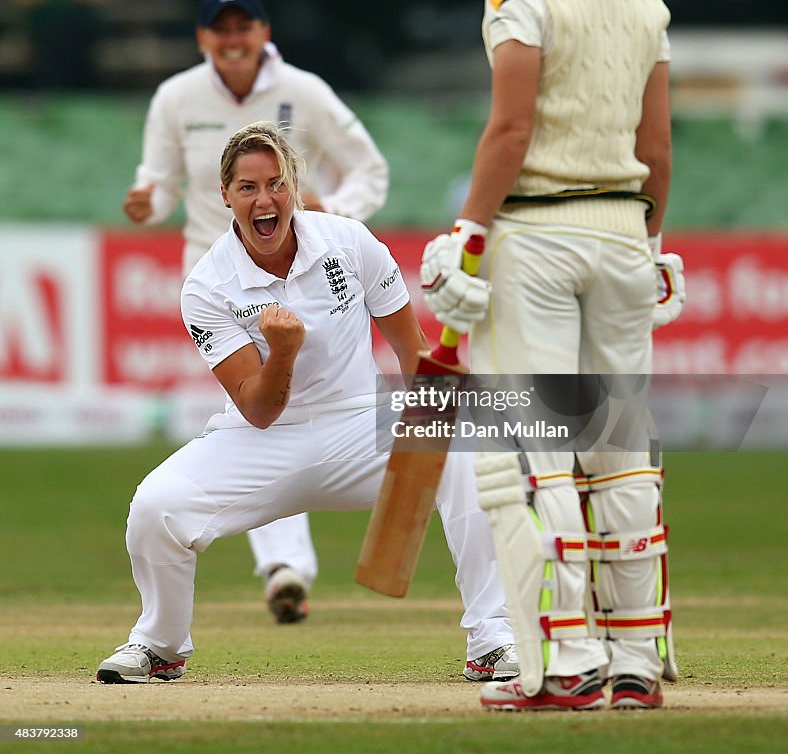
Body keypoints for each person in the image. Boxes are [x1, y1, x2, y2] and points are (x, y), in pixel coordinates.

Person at [420, 0, 684, 712]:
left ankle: (565, 663)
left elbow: (511, 130)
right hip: (622, 231)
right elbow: (657, 146)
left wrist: (467, 234)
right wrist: (651, 246)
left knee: (535, 453)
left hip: (535, 234)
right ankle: (636, 661)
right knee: (621, 451)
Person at [96, 121, 515, 683]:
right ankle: (160, 644)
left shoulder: (351, 241)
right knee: (156, 507)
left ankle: (493, 638)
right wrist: (283, 353)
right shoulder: (206, 285)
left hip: (364, 423)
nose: (264, 199)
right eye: (248, 188)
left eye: (276, 184)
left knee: (467, 447)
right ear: (225, 196)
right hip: (264, 439)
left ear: (294, 186)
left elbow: (413, 352)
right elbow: (258, 409)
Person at [122, 0, 390, 625]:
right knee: (261, 407)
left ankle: (284, 563)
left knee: (288, 406)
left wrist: (333, 213)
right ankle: (284, 564)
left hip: (305, 267)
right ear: (203, 38)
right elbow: (159, 183)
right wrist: (148, 202)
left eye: (244, 27)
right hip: (220, 284)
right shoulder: (176, 96)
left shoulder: (305, 91)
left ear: (264, 33)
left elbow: (370, 170)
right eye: (221, 29)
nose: (233, 40)